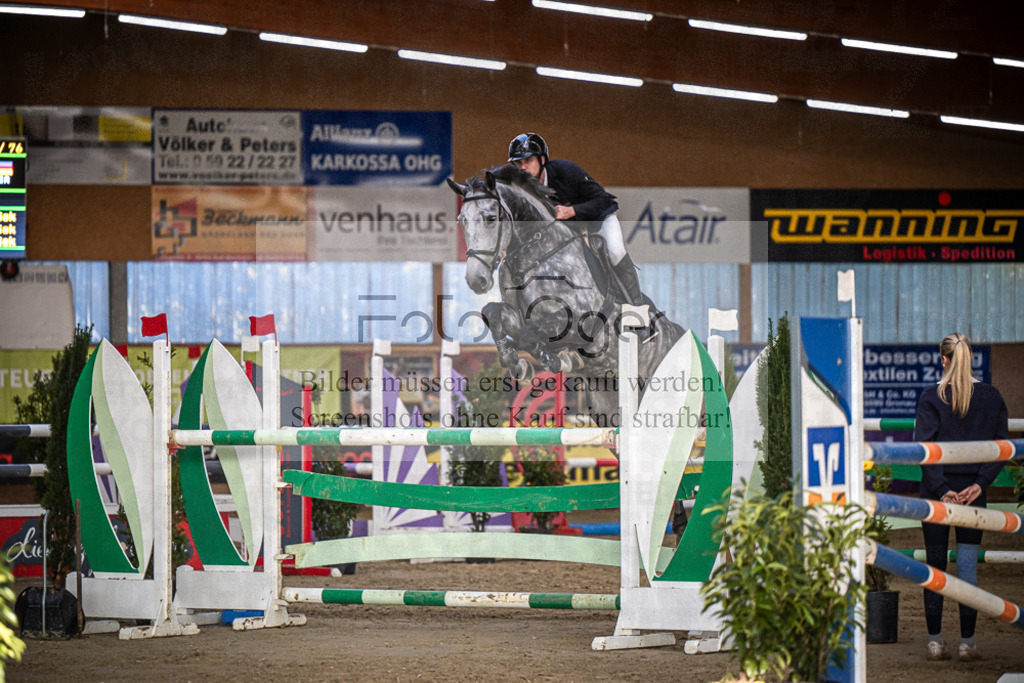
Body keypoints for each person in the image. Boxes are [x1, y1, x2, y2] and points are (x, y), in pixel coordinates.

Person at [913, 332, 1008, 662]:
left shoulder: (931, 397)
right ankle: (968, 643)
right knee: (967, 568)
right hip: (973, 495)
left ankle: (935, 642)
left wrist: (942, 489)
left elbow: (925, 450)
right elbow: (1001, 447)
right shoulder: (992, 396)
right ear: (971, 358)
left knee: (936, 566)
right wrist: (980, 484)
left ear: (944, 360)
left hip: (937, 496)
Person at [506, 132, 643, 306]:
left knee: (616, 251)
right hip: (567, 232)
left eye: (528, 160)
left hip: (597, 220)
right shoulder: (520, 188)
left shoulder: (566, 170)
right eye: (518, 163)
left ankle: (637, 307)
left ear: (542, 160)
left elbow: (603, 200)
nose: (523, 167)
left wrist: (572, 211)